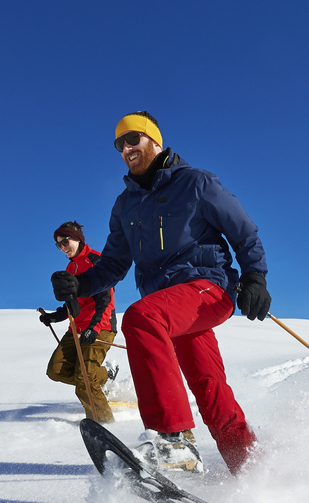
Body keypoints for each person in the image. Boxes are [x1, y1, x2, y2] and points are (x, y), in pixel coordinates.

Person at [51, 111, 271, 476]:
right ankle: (252, 468)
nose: (126, 148)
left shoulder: (196, 183)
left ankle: (173, 438)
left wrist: (255, 277)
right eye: (120, 144)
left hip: (206, 288)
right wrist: (81, 285)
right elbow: (112, 266)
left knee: (141, 317)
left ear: (154, 140)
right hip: (171, 307)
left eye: (133, 139)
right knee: (208, 385)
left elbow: (244, 232)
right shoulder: (125, 206)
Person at [41, 221, 118, 424]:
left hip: (100, 327)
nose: (63, 247)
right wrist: (55, 316)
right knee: (56, 371)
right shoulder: (70, 268)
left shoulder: (96, 261)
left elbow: (106, 300)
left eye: (65, 241)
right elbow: (72, 305)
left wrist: (94, 328)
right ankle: (104, 376)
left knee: (84, 380)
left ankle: (103, 425)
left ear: (78, 239)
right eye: (59, 245)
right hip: (76, 328)